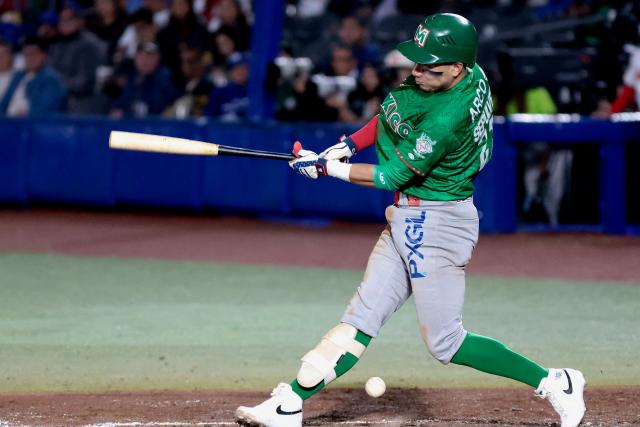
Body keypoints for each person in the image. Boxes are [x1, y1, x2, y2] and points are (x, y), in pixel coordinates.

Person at [235, 13, 586, 427]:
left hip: (439, 224)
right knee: (360, 319)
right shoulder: (462, 71)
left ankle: (555, 381)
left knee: (446, 343)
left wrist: (326, 169)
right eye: (417, 61)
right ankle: (289, 403)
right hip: (407, 216)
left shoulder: (447, 119)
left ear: (456, 67)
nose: (417, 72)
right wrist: (344, 146)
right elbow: (390, 115)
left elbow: (391, 175)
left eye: (429, 66)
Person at [48, 2, 107, 114]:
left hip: (84, 102)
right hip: (60, 99)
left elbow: (84, 82)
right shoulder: (56, 45)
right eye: (61, 20)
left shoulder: (90, 45)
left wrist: (56, 86)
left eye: (69, 19)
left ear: (80, 21)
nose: (64, 24)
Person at [109, 41, 177, 117]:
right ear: (135, 57)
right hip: (130, 125)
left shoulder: (164, 78)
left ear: (158, 58)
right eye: (141, 56)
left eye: (149, 57)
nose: (145, 61)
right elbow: (121, 103)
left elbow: (163, 107)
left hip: (153, 126)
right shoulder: (133, 78)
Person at [5, 37, 66, 117]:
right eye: (26, 55)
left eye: (33, 54)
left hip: (32, 126)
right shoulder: (18, 76)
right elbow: (4, 103)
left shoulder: (51, 80)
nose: (29, 58)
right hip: (7, 124)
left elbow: (42, 112)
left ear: (44, 55)